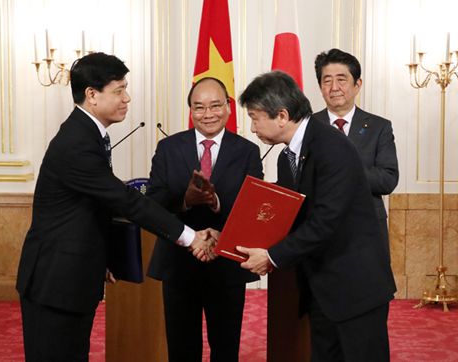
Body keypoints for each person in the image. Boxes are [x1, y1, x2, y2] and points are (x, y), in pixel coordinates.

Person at [15, 52, 216, 361]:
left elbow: (93, 208)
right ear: (92, 95)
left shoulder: (88, 135)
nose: (127, 98)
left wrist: (104, 256)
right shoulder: (77, 143)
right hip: (55, 281)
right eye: (119, 90)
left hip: (71, 276)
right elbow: (124, 201)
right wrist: (190, 238)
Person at [236, 71, 396, 362]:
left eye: (255, 117)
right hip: (322, 288)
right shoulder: (288, 157)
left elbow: (325, 222)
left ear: (281, 115)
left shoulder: (331, 147)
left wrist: (271, 256)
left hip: (355, 287)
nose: (252, 127)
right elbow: (287, 216)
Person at [146, 77, 264, 362]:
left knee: (226, 347)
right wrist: (186, 201)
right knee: (181, 347)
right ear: (190, 110)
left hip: (226, 263)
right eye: (199, 107)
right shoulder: (168, 148)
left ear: (228, 107)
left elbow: (252, 208)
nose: (207, 114)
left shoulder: (248, 151)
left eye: (215, 106)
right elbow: (153, 202)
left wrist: (216, 202)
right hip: (178, 261)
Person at [313, 48, 399, 259]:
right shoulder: (308, 126)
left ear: (357, 84)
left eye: (341, 79)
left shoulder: (380, 127)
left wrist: (344, 170)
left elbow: (387, 180)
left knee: (368, 291)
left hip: (366, 229)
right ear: (320, 87)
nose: (334, 88)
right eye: (327, 81)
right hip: (318, 230)